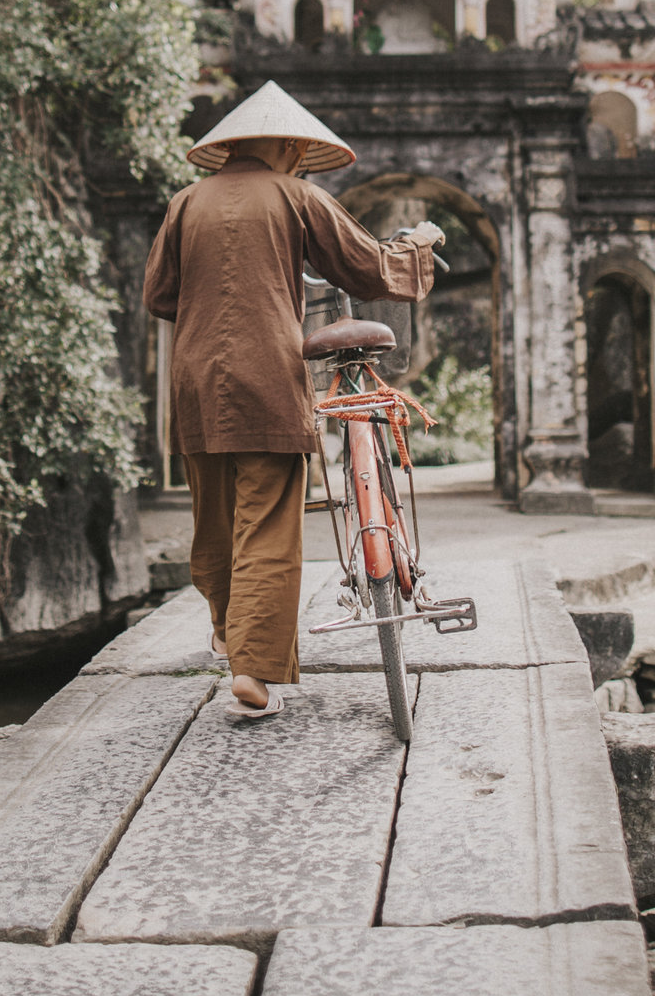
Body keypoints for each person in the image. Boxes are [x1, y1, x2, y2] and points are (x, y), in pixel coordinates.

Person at [141, 81, 442, 720]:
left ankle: (227, 629)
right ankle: (252, 668)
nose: (300, 161)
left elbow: (159, 297)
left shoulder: (184, 203)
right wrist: (419, 244)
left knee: (215, 517)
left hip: (195, 382)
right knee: (268, 521)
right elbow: (369, 269)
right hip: (268, 379)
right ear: (281, 144)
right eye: (296, 151)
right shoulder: (298, 196)